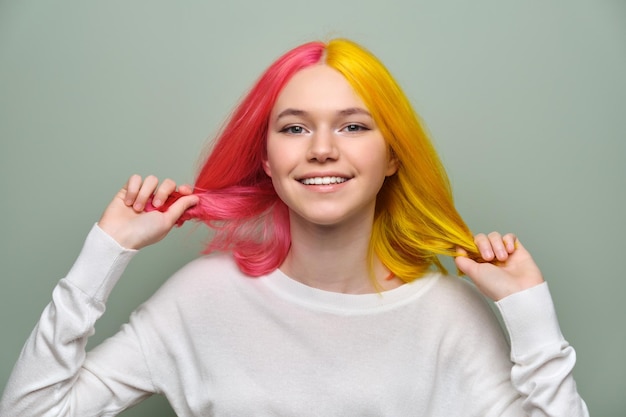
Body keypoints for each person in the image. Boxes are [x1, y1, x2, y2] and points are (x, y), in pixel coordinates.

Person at [0, 39, 588, 416]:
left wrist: (530, 314)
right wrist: (106, 252)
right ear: (266, 157)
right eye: (295, 128)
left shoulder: (446, 316)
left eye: (354, 127)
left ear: (393, 157)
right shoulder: (203, 297)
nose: (323, 150)